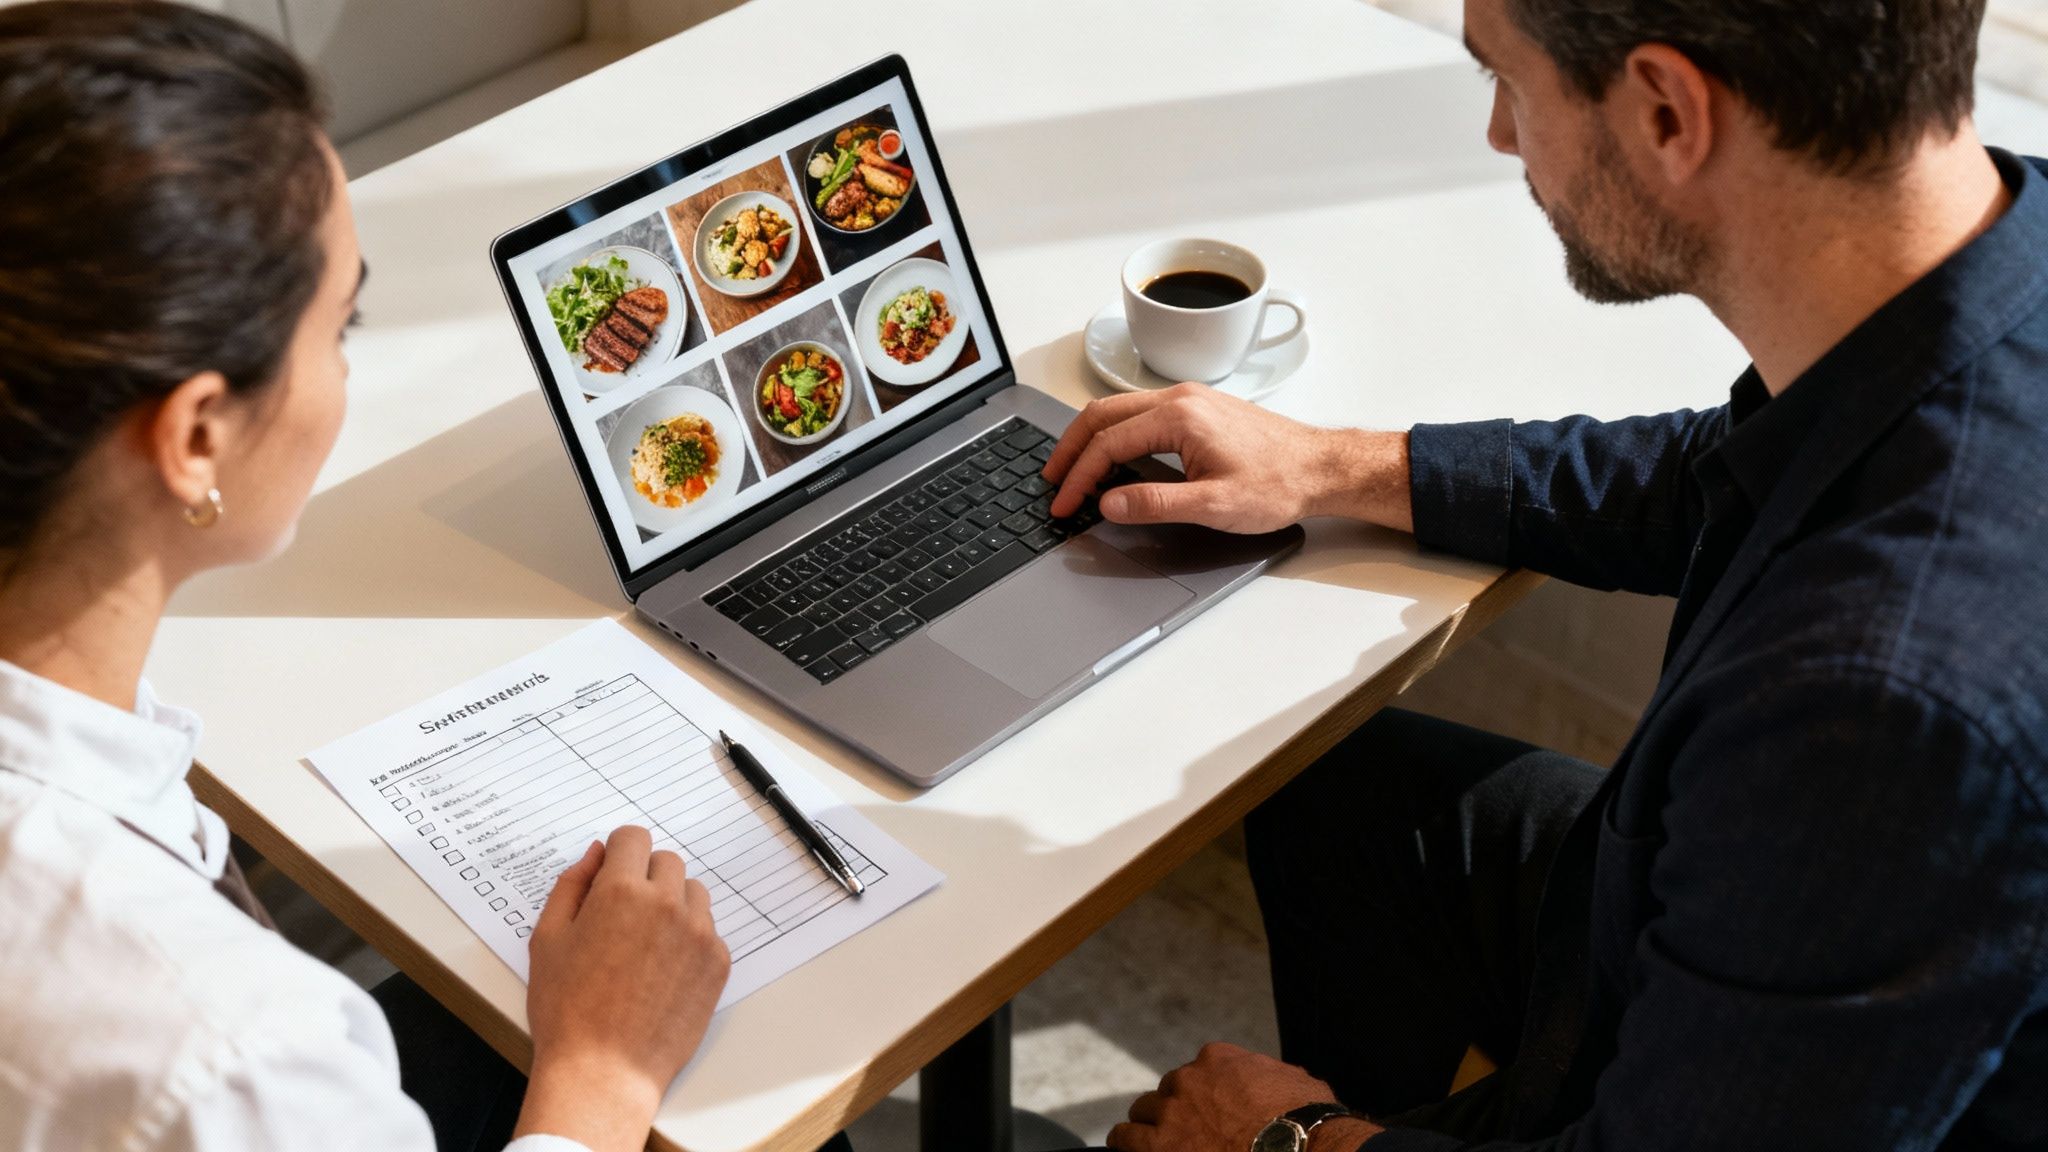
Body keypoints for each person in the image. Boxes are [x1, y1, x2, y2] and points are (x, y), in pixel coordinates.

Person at [1045, 1, 2048, 1149]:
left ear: (1668, 111)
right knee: (1341, 788)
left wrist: (1288, 1140)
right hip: (1705, 918)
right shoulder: (1981, 259)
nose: (1497, 135)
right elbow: (1718, 475)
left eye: (1508, 83)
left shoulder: (1879, 713)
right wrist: (1326, 467)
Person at [0, 5, 853, 1151]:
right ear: (196, 435)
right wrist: (596, 1075)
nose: (346, 370)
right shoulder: (229, 1058)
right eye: (339, 322)